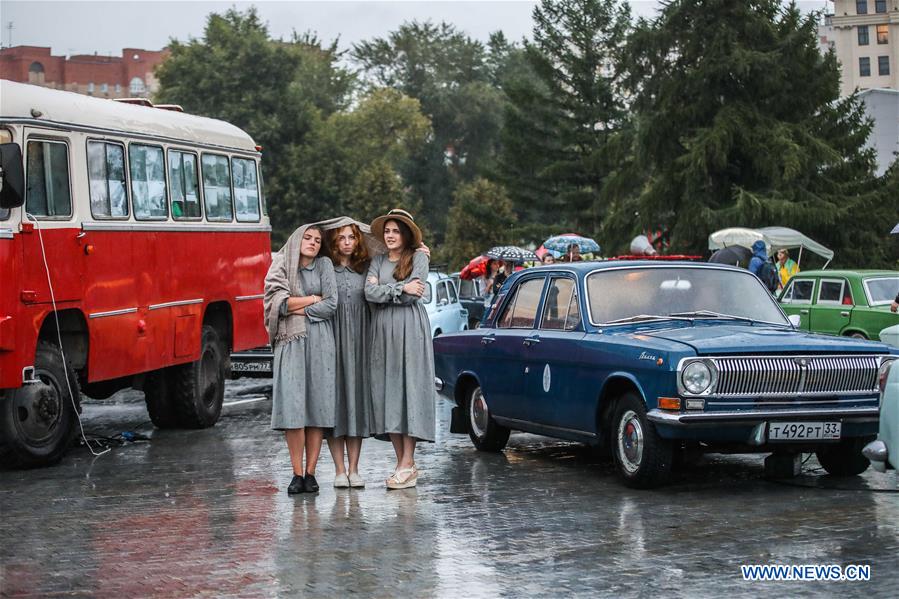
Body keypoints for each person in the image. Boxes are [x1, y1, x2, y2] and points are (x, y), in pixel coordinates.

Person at [263, 223, 338, 495]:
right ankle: (296, 473)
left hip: (321, 343)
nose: (313, 243)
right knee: (294, 409)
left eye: (318, 240)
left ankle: (311, 473)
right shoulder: (281, 264)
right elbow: (277, 304)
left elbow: (331, 305)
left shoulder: (325, 265)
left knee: (316, 407)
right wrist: (311, 299)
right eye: (307, 237)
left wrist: (298, 307)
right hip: (291, 344)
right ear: (297, 239)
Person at [365, 209, 435, 489]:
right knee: (388, 392)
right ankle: (403, 463)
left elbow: (413, 296)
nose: (390, 235)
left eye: (396, 231)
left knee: (410, 389)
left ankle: (407, 461)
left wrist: (388, 289)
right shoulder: (378, 260)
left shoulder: (419, 257)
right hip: (382, 332)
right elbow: (368, 293)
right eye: (387, 231)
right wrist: (400, 289)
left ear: (406, 235)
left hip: (410, 329)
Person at [324, 221, 374, 489]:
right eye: (341, 237)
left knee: (355, 404)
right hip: (332, 340)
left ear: (357, 241)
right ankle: (339, 470)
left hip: (359, 342)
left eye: (351, 237)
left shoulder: (366, 270)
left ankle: (354, 469)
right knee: (336, 405)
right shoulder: (326, 269)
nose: (346, 242)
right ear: (334, 242)